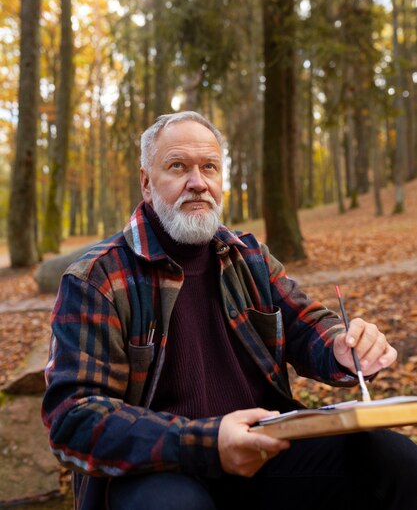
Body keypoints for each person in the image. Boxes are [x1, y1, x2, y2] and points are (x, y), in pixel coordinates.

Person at [42, 110, 417, 510]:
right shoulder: (97, 278)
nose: (198, 183)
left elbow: (308, 326)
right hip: (158, 467)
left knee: (395, 460)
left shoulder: (248, 256)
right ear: (146, 183)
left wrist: (343, 346)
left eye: (209, 167)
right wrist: (204, 443)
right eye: (178, 167)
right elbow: (73, 417)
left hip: (266, 450)